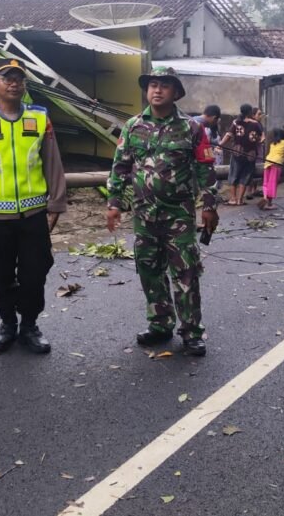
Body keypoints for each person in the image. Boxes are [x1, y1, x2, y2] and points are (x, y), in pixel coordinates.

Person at [106, 67, 218, 356]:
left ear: (175, 92)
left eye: (164, 86)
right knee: (149, 272)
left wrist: (209, 205)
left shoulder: (192, 128)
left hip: (178, 216)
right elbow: (120, 166)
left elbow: (205, 167)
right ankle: (160, 324)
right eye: (152, 85)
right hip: (144, 215)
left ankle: (192, 331)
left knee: (186, 273)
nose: (157, 90)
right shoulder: (132, 126)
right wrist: (114, 203)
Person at [0, 58, 67, 354]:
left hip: (34, 216)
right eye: (7, 78)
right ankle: (7, 324)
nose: (13, 83)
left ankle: (29, 326)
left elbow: (53, 162)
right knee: (1, 274)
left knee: (36, 273)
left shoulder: (39, 117)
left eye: (18, 78)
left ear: (24, 84)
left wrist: (56, 203)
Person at [219, 103, 263, 206]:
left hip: (237, 153)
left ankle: (233, 199)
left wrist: (220, 145)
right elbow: (262, 138)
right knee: (245, 177)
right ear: (250, 112)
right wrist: (255, 141)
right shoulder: (256, 124)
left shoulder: (236, 122)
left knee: (233, 175)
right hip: (250, 155)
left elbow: (228, 135)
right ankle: (240, 200)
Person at [259, 128, 284, 210]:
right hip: (276, 164)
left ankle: (265, 197)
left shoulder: (272, 143)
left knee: (266, 183)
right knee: (272, 183)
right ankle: (269, 204)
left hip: (267, 162)